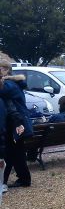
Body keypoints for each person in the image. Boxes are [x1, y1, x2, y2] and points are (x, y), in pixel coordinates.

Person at [0, 60, 32, 188]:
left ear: (7, 70)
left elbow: (2, 91)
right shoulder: (14, 83)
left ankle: (4, 181)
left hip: (16, 123)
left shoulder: (9, 84)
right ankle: (23, 179)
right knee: (16, 152)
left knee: (9, 152)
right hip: (17, 121)